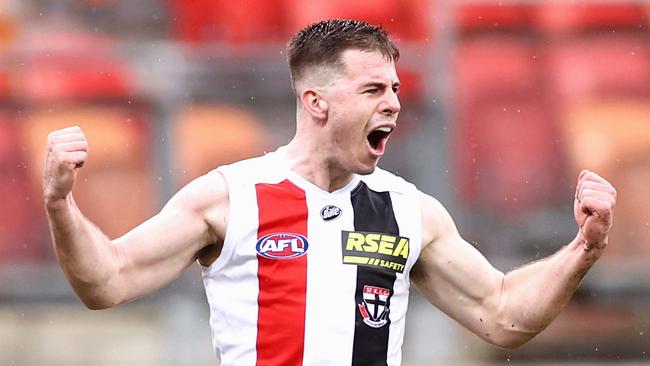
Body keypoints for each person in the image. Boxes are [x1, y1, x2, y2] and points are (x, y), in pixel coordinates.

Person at [43, 19, 617, 366]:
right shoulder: (229, 197)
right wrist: (60, 205)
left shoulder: (409, 211)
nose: (393, 103)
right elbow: (107, 281)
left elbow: (503, 316)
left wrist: (582, 249)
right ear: (317, 103)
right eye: (373, 89)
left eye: (395, 88)